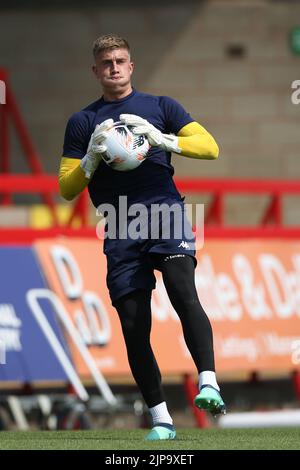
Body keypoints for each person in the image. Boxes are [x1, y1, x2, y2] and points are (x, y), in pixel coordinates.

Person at [59, 34, 226, 441]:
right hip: (119, 225)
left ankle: (208, 383)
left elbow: (210, 148)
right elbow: (66, 186)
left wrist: (163, 138)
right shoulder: (83, 122)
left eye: (120, 61)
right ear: (95, 71)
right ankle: (162, 420)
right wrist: (91, 159)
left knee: (183, 291)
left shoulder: (161, 107)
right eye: (106, 63)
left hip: (165, 212)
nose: (114, 68)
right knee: (134, 325)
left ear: (131, 66)